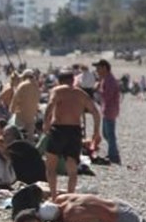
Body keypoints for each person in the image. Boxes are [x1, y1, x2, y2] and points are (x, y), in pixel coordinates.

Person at [42, 69, 101, 200]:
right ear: (73, 80)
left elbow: (51, 104)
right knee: (72, 168)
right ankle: (69, 196)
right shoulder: (81, 94)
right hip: (75, 131)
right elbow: (96, 113)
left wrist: (46, 122)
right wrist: (96, 131)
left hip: (58, 129)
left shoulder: (57, 90)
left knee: (51, 166)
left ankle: (53, 197)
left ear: (59, 80)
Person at [94, 59, 121, 164]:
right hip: (108, 109)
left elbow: (107, 95)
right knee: (106, 133)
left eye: (98, 68)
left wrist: (98, 90)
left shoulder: (109, 80)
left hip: (110, 109)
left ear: (104, 68)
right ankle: (113, 152)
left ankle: (113, 155)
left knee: (109, 134)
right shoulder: (106, 79)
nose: (97, 70)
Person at [9, 69, 41, 141]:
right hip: (31, 117)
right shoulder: (37, 87)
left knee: (19, 137)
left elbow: (15, 99)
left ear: (25, 77)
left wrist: (11, 110)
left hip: (21, 116)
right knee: (30, 139)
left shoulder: (22, 85)